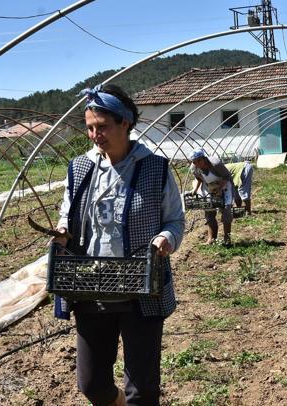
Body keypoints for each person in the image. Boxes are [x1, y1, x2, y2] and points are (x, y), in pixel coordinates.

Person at [51, 84, 184, 406]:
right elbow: (67, 214)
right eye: (90, 128)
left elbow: (175, 221)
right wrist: (63, 230)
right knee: (92, 384)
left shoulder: (155, 168)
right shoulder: (80, 169)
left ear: (125, 123)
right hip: (91, 285)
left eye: (103, 127)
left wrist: (166, 238)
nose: (95, 134)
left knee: (143, 389)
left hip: (141, 287)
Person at [190, 148, 234, 246]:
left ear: (204, 158)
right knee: (209, 210)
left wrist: (219, 189)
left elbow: (226, 176)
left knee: (226, 209)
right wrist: (195, 189)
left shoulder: (215, 164)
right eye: (194, 162)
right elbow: (199, 179)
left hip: (225, 185)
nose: (197, 163)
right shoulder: (194, 168)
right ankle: (211, 239)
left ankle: (227, 238)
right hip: (210, 187)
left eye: (199, 160)